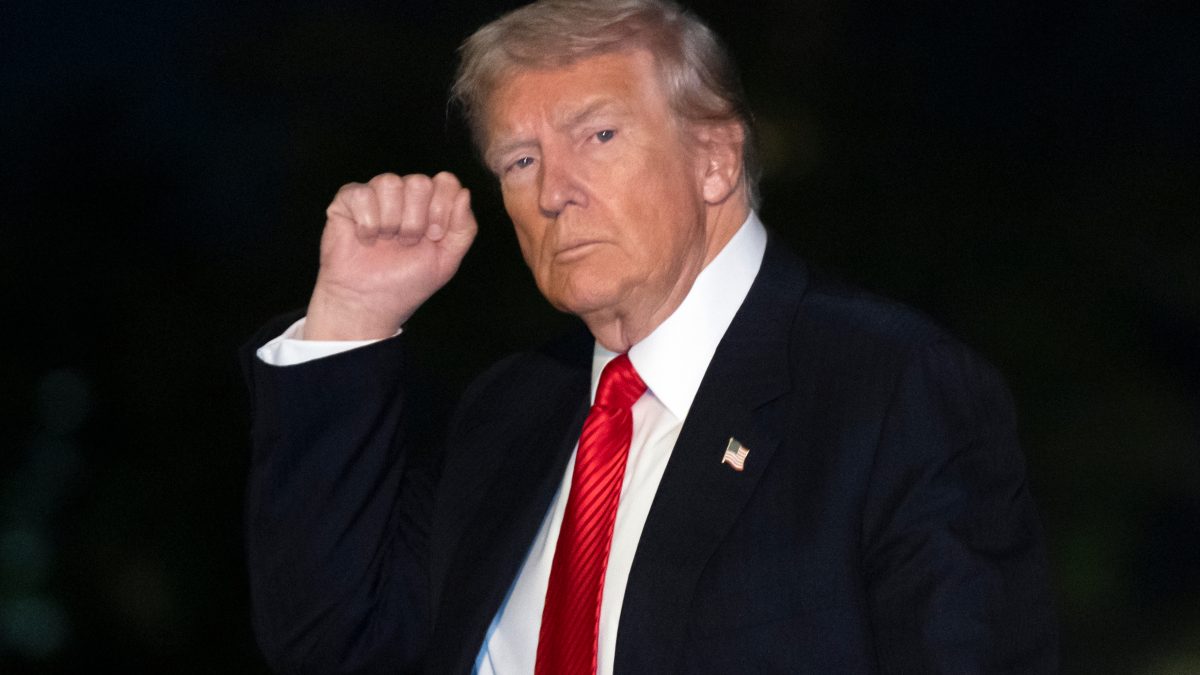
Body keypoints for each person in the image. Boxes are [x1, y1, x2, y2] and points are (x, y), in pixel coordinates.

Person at [242, 0, 1058, 672]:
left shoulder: (890, 389)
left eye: (597, 135)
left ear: (714, 158)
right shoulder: (508, 411)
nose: (555, 191)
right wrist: (351, 314)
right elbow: (333, 649)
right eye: (520, 161)